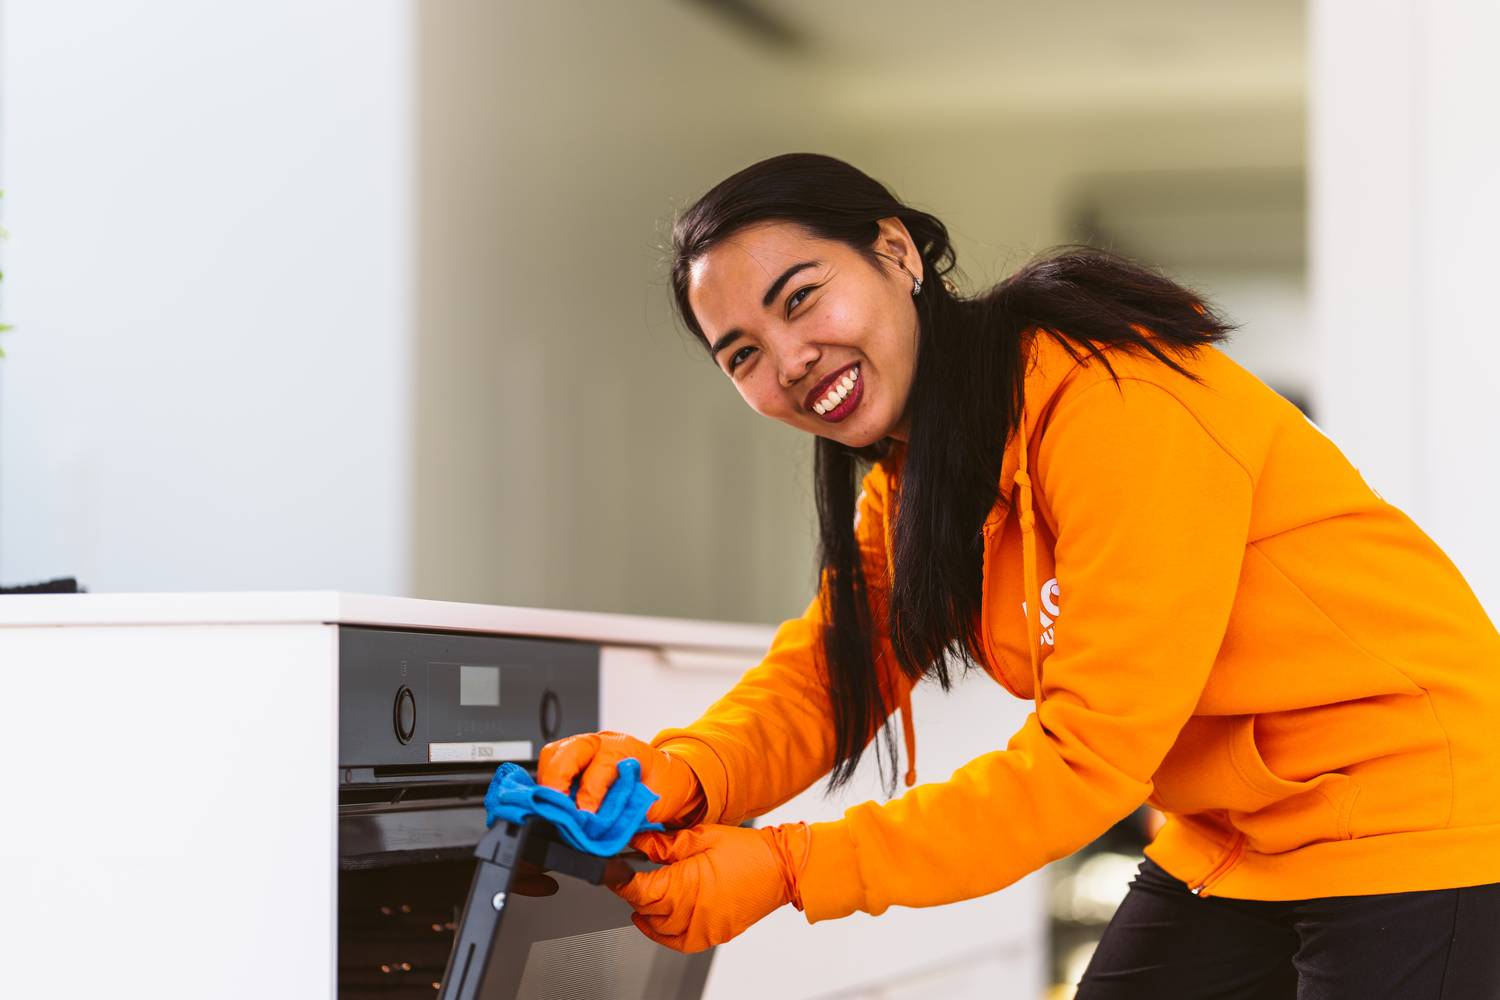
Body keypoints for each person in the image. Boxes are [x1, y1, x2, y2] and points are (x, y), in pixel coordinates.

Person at [536, 153, 1500, 997]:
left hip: (1415, 808)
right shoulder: (917, 480)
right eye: (741, 352)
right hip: (1243, 830)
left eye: (801, 298)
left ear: (897, 253)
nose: (789, 360)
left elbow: (1085, 760)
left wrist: (788, 868)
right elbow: (831, 675)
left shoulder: (1113, 403)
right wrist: (684, 772)